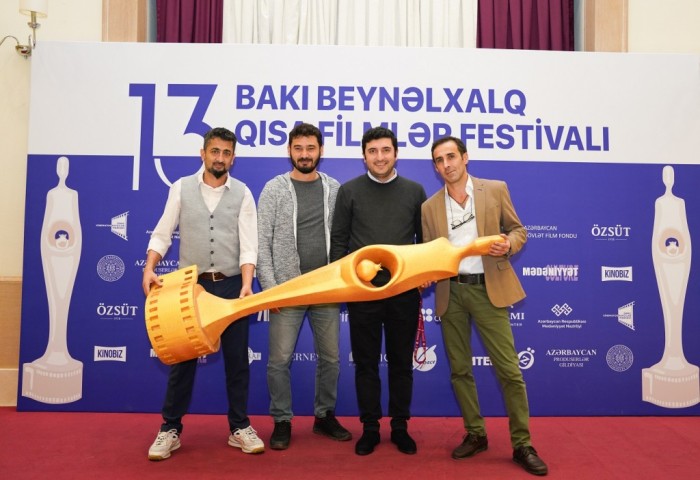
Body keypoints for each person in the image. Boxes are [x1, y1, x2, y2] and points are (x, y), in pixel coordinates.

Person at [421, 136, 548, 476]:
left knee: (509, 370)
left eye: (451, 156)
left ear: (465, 158)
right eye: (439, 160)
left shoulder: (494, 189)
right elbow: (431, 255)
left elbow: (518, 230)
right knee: (460, 370)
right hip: (451, 293)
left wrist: (508, 243)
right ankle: (475, 433)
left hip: (489, 290)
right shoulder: (429, 207)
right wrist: (423, 275)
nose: (446, 164)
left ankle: (522, 444)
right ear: (435, 167)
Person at [142, 127, 264, 460]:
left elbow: (249, 245)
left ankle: (239, 427)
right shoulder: (181, 187)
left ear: (233, 158)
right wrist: (149, 267)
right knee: (182, 361)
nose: (220, 158)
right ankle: (170, 429)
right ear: (203, 153)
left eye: (226, 153)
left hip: (231, 286)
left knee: (237, 360)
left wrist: (247, 284)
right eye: (215, 151)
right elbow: (162, 233)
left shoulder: (243, 193)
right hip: (190, 288)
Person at [330, 126, 426, 456]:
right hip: (363, 294)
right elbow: (339, 242)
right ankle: (370, 428)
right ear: (364, 156)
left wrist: (422, 274)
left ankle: (400, 427)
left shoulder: (414, 191)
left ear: (396, 154)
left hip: (403, 292)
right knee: (366, 364)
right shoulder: (349, 191)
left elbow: (423, 243)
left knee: (401, 363)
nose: (380, 157)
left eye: (386, 150)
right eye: (373, 151)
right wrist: (345, 283)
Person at [256, 123, 351, 450]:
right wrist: (271, 289)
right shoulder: (274, 189)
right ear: (290, 151)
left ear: (320, 151)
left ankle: (324, 416)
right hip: (287, 290)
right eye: (299, 148)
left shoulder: (334, 188)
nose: (305, 154)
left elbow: (343, 237)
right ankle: (282, 420)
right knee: (279, 360)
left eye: (311, 148)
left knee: (331, 359)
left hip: (326, 289)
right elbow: (261, 242)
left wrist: (339, 280)